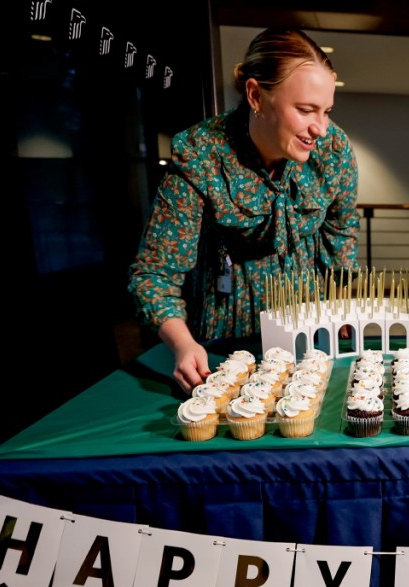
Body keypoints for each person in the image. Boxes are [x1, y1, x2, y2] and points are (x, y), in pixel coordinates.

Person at [128, 29, 359, 392]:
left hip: (311, 330)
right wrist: (183, 345)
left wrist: (346, 299)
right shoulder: (201, 154)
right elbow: (154, 275)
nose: (320, 128)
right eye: (305, 110)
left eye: (327, 111)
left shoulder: (334, 151)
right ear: (256, 95)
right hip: (227, 339)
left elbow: (341, 234)